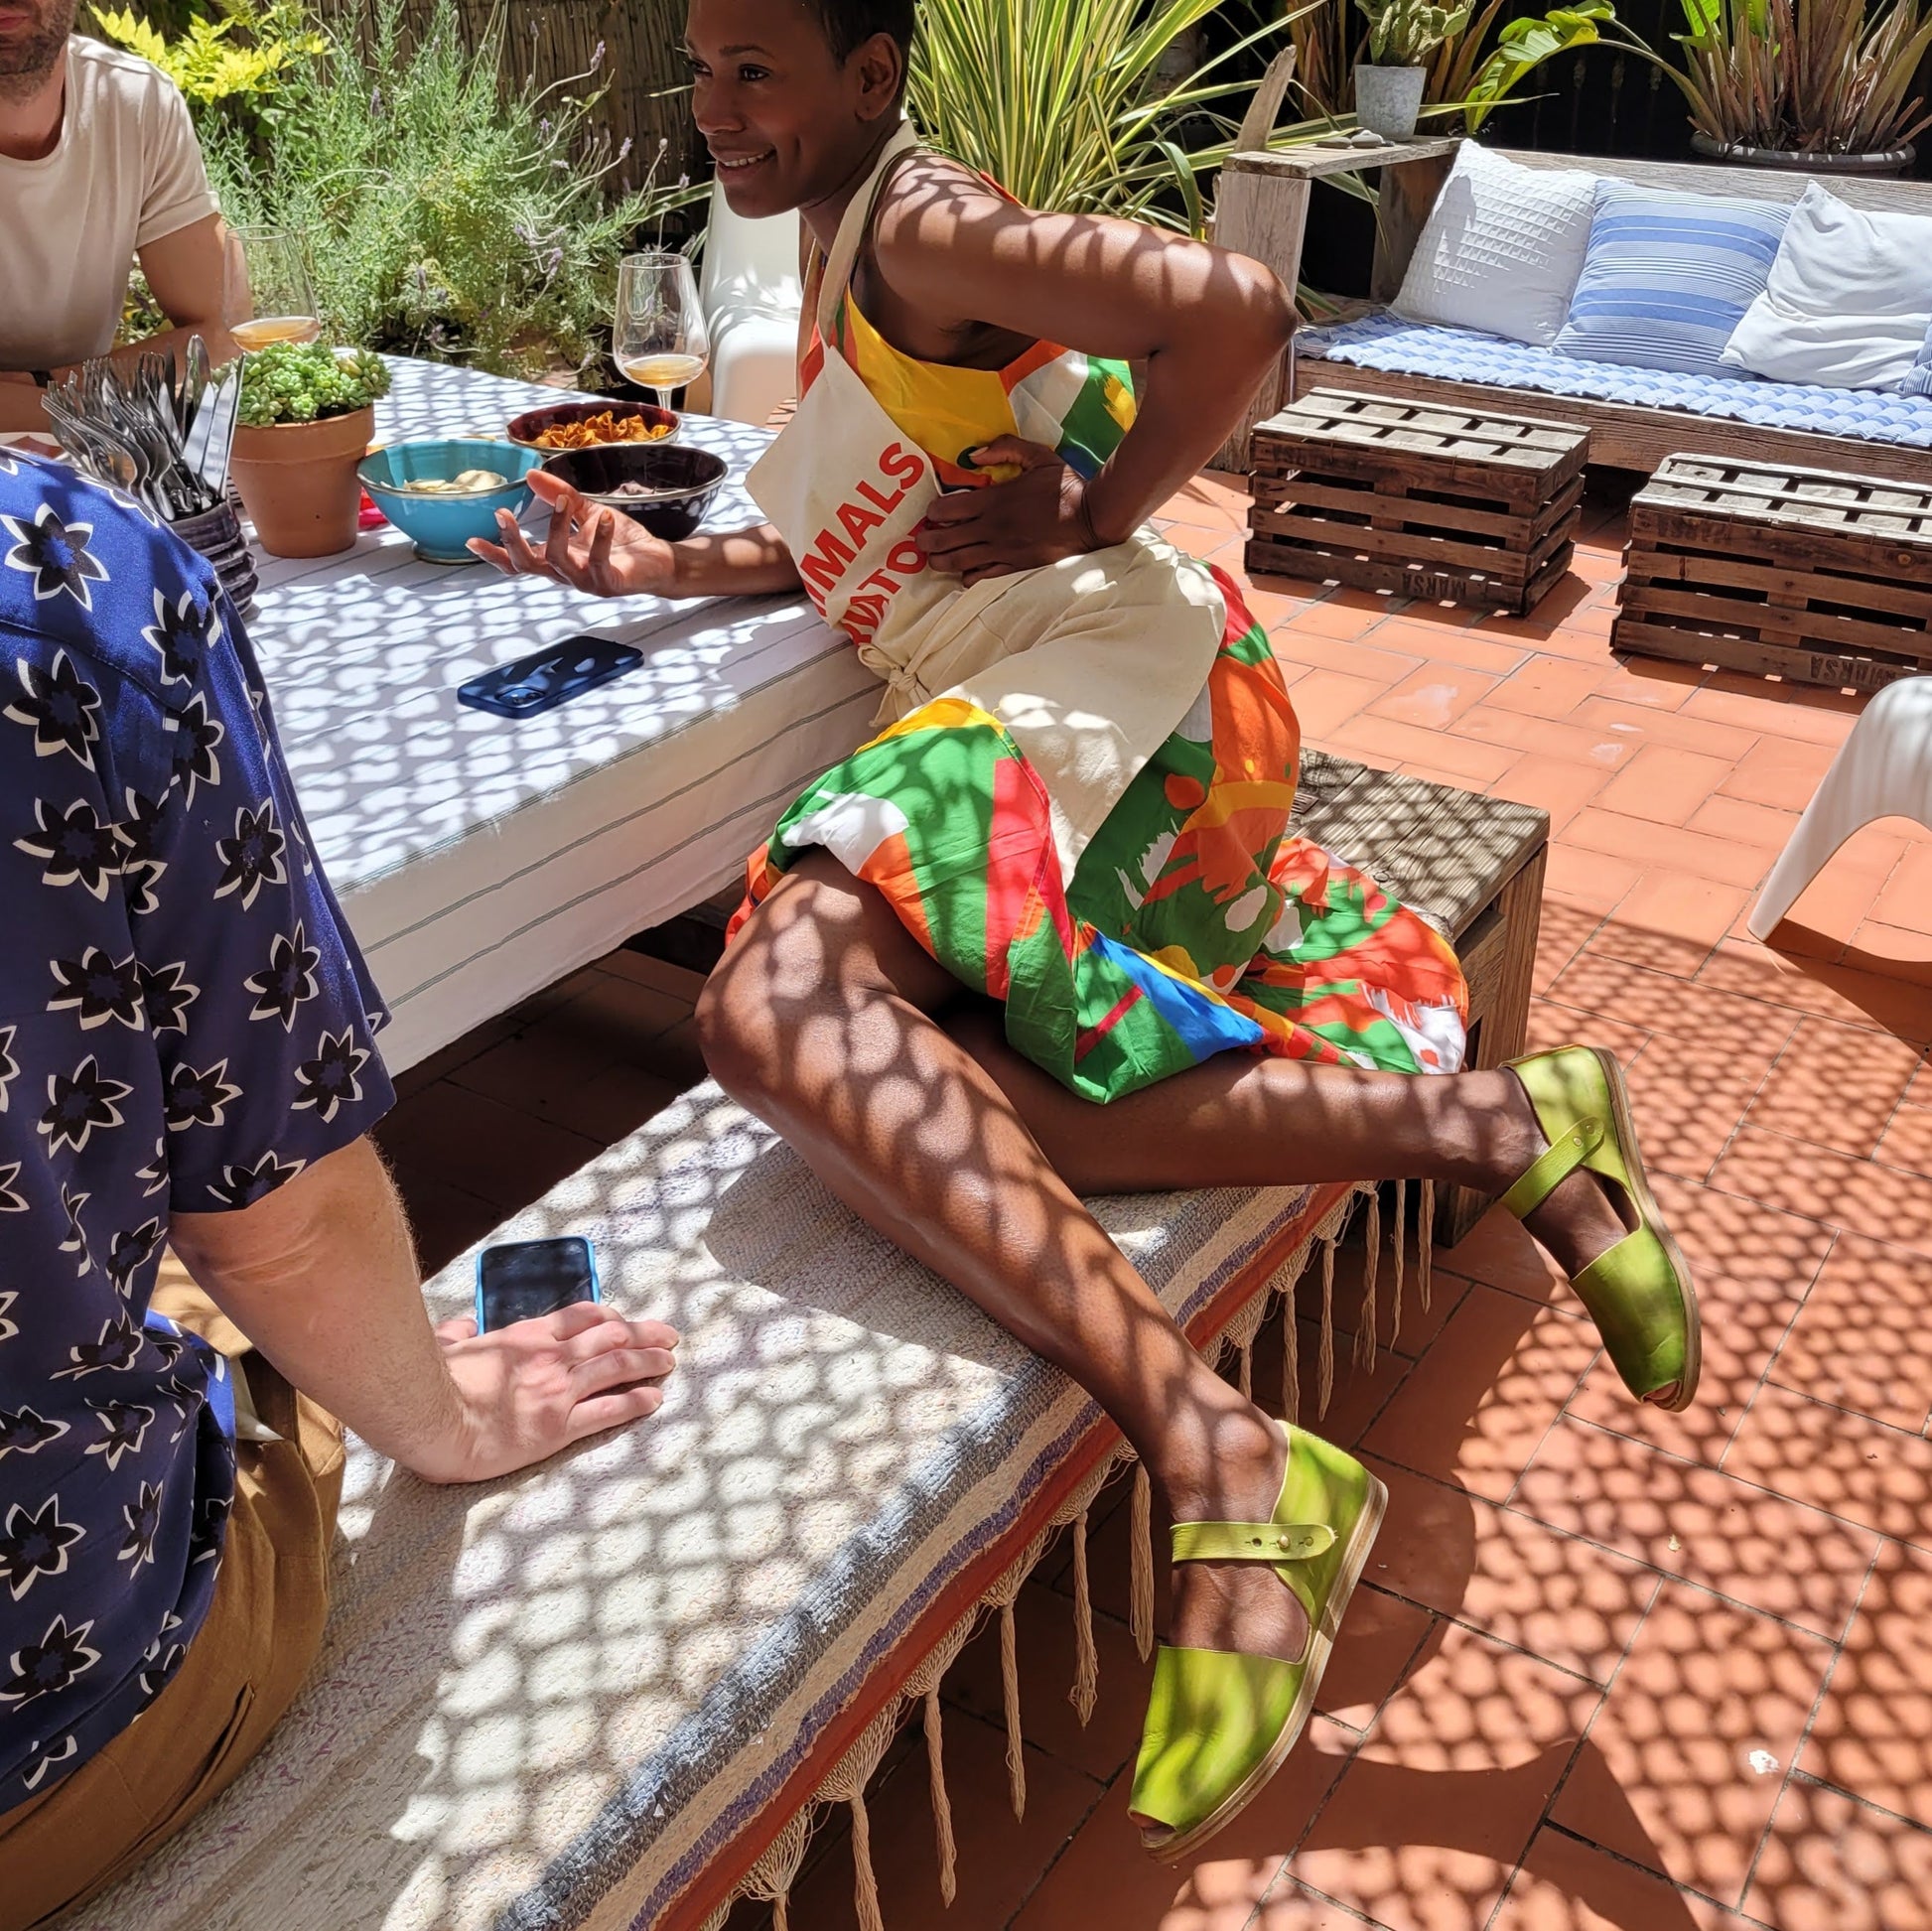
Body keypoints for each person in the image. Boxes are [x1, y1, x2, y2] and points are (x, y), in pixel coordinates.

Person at [474, 0, 1698, 1860]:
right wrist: (664, 560)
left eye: (755, 70)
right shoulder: (843, 238)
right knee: (940, 1089)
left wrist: (1095, 504)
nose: (711, 105)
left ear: (870, 78)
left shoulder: (920, 223)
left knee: (776, 1004)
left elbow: (1237, 311)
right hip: (1086, 699)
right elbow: (878, 522)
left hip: (1123, 686)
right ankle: (1502, 1128)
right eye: (702, 67)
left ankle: (1225, 1461)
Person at [0, 456, 680, 1928]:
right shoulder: (58, 578)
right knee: (204, 1284)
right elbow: (274, 1222)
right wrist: (444, 1420)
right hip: (42, 1719)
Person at [0, 0, 235, 434]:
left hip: (86, 452)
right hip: (94, 431)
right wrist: (79, 404)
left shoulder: (135, 103)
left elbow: (221, 334)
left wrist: (45, 389)